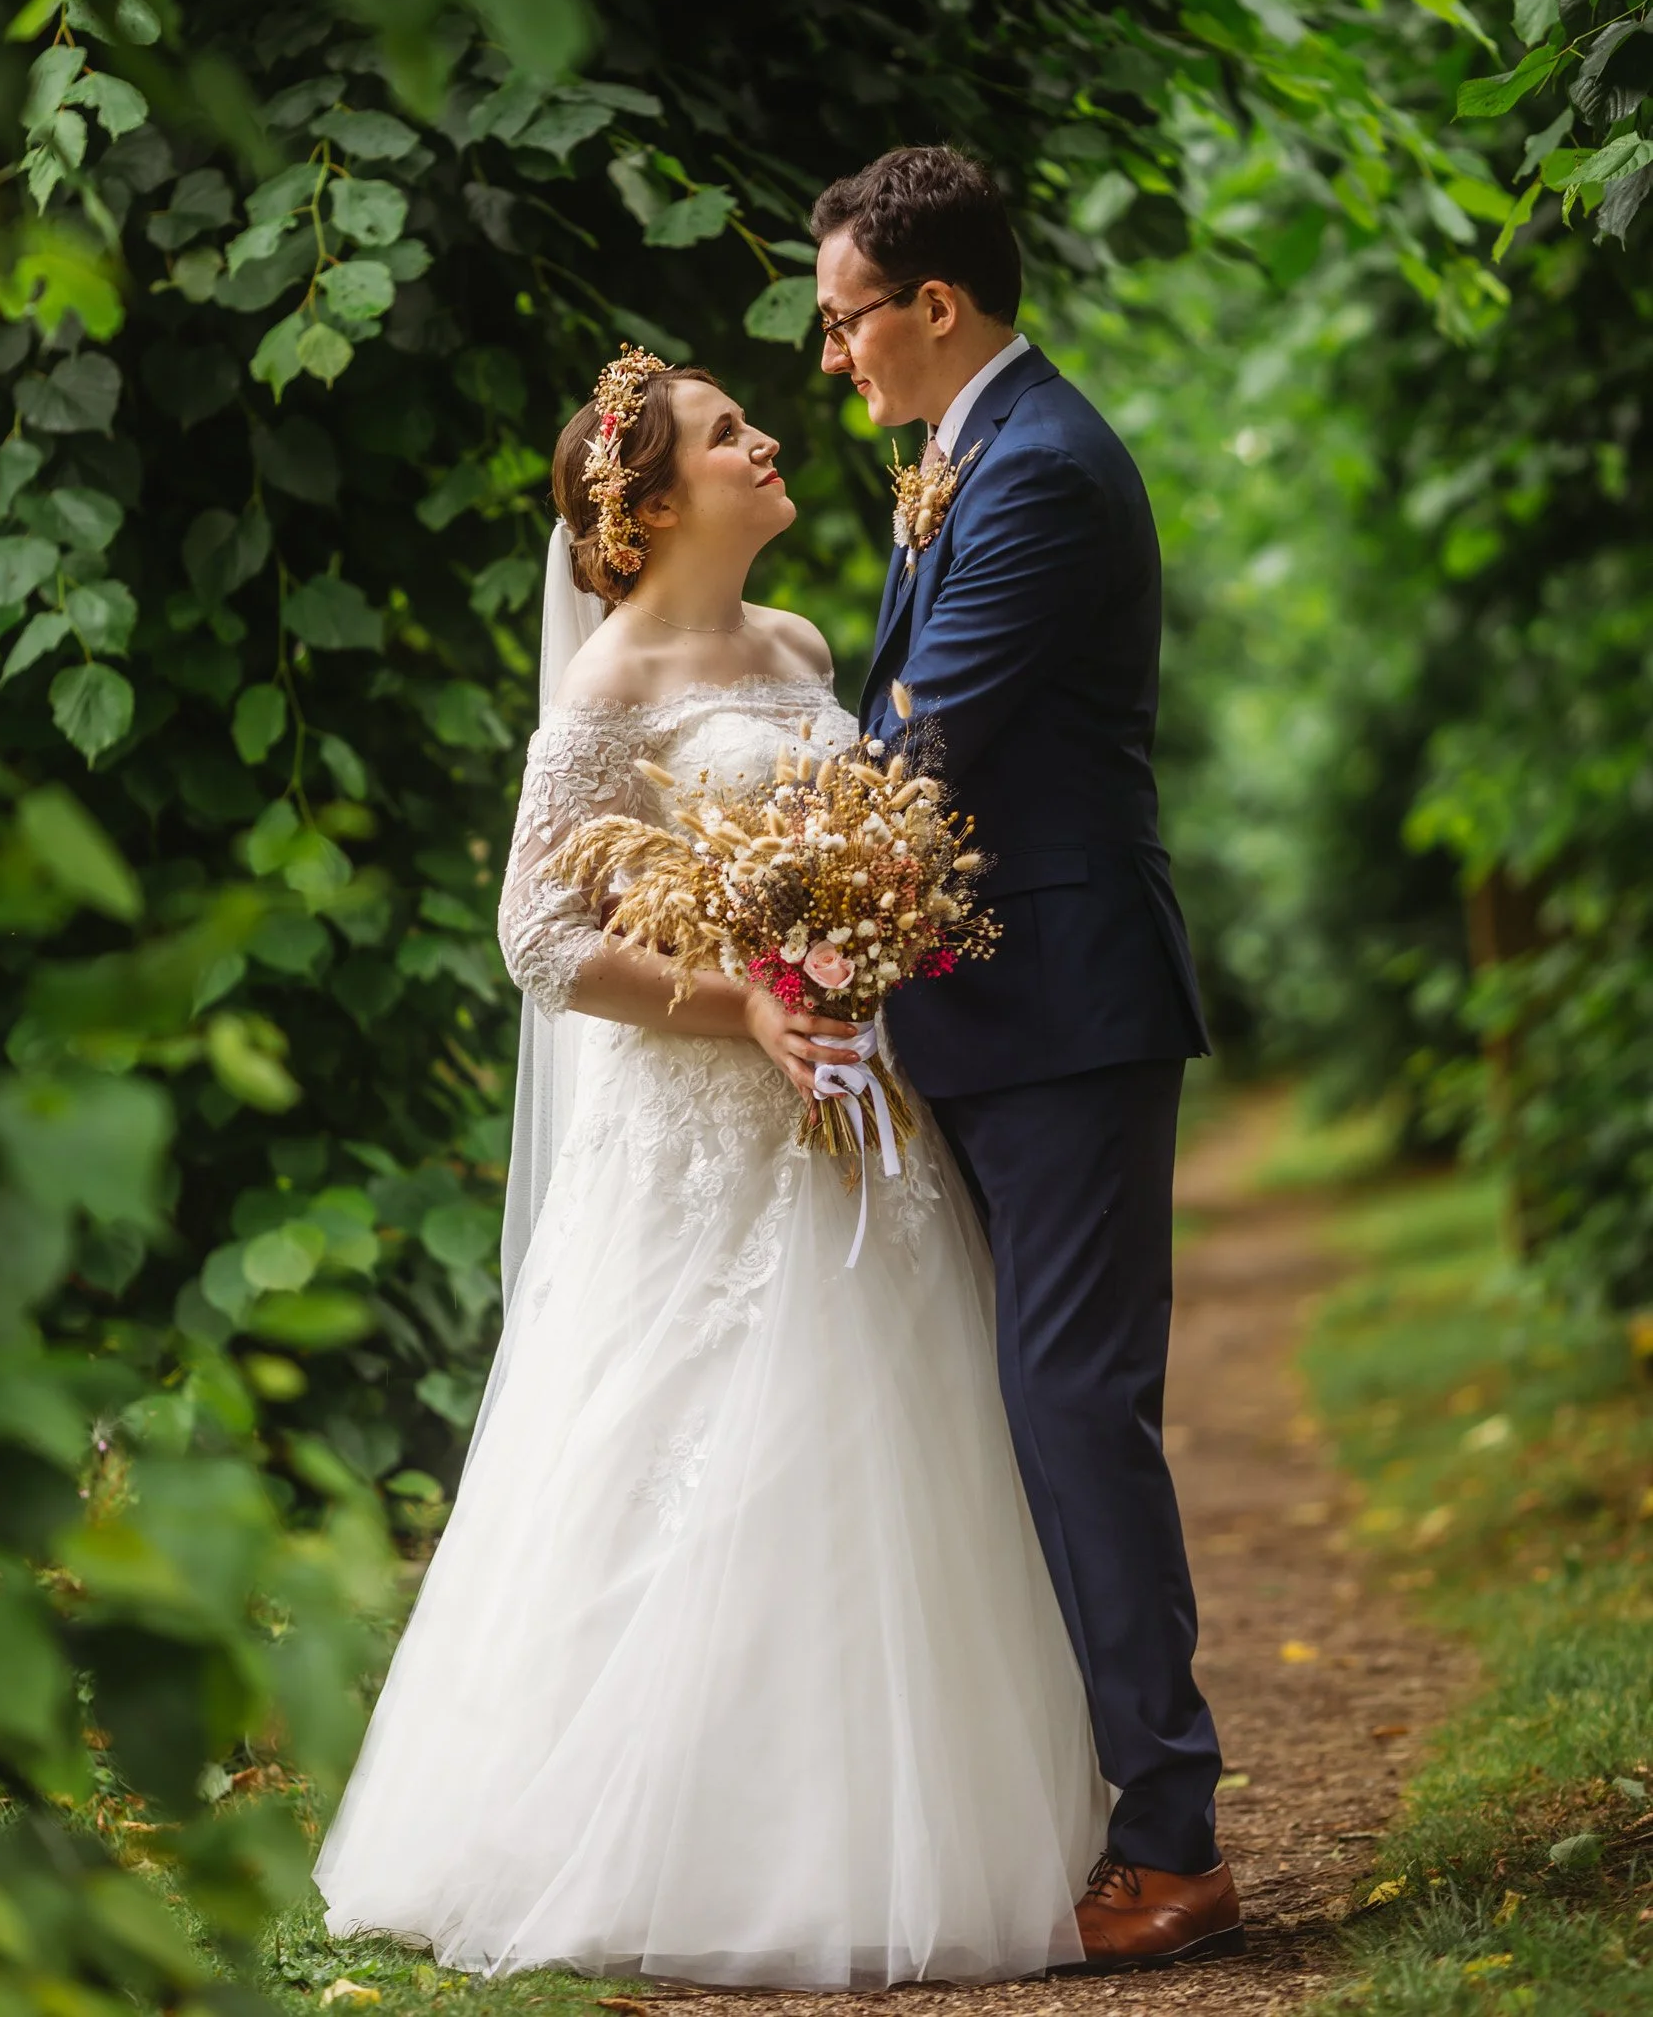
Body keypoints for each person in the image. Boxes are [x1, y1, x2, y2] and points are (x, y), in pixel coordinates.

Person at [314, 349, 1106, 1988]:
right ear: (653, 503)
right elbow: (539, 937)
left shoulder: (808, 644)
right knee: (673, 1448)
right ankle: (634, 1835)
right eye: (728, 432)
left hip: (846, 1112)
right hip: (692, 1127)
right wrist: (738, 999)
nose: (765, 438)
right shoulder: (602, 689)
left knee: (885, 1452)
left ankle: (882, 1826)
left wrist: (857, 957)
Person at [813, 144, 1242, 1975]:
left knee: (1073, 1408)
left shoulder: (1043, 470)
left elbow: (927, 748)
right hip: (989, 1006)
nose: (831, 358)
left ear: (935, 305)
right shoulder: (970, 457)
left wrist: (771, 883)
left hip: (1060, 1005)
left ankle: (1172, 1835)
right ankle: (1086, 1798)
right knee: (1019, 1408)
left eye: (844, 321)